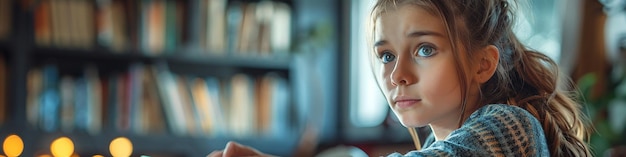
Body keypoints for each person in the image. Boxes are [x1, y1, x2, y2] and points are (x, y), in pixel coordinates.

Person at [208, 0, 593, 156]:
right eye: (386, 55)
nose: (397, 75)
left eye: (425, 49)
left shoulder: (510, 128)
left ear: (483, 64)